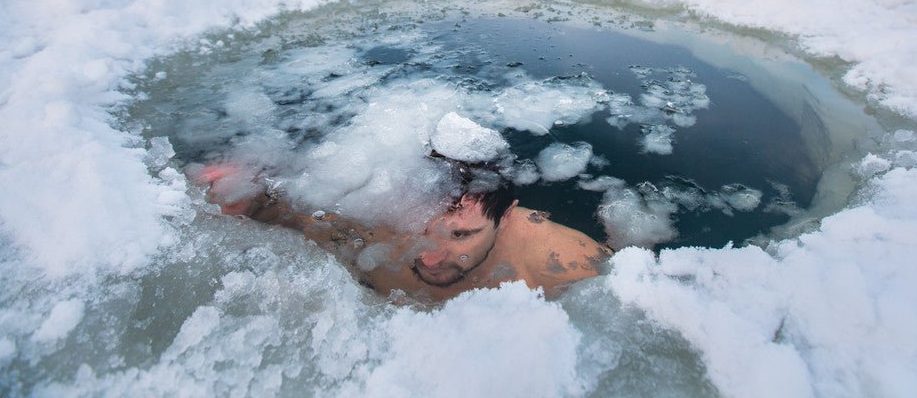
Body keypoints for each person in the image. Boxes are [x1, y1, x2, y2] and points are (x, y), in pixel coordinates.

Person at [193, 153, 613, 303]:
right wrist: (251, 196)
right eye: (425, 230)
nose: (429, 257)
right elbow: (298, 218)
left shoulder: (558, 258)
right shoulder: (382, 230)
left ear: (504, 219)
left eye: (463, 235)